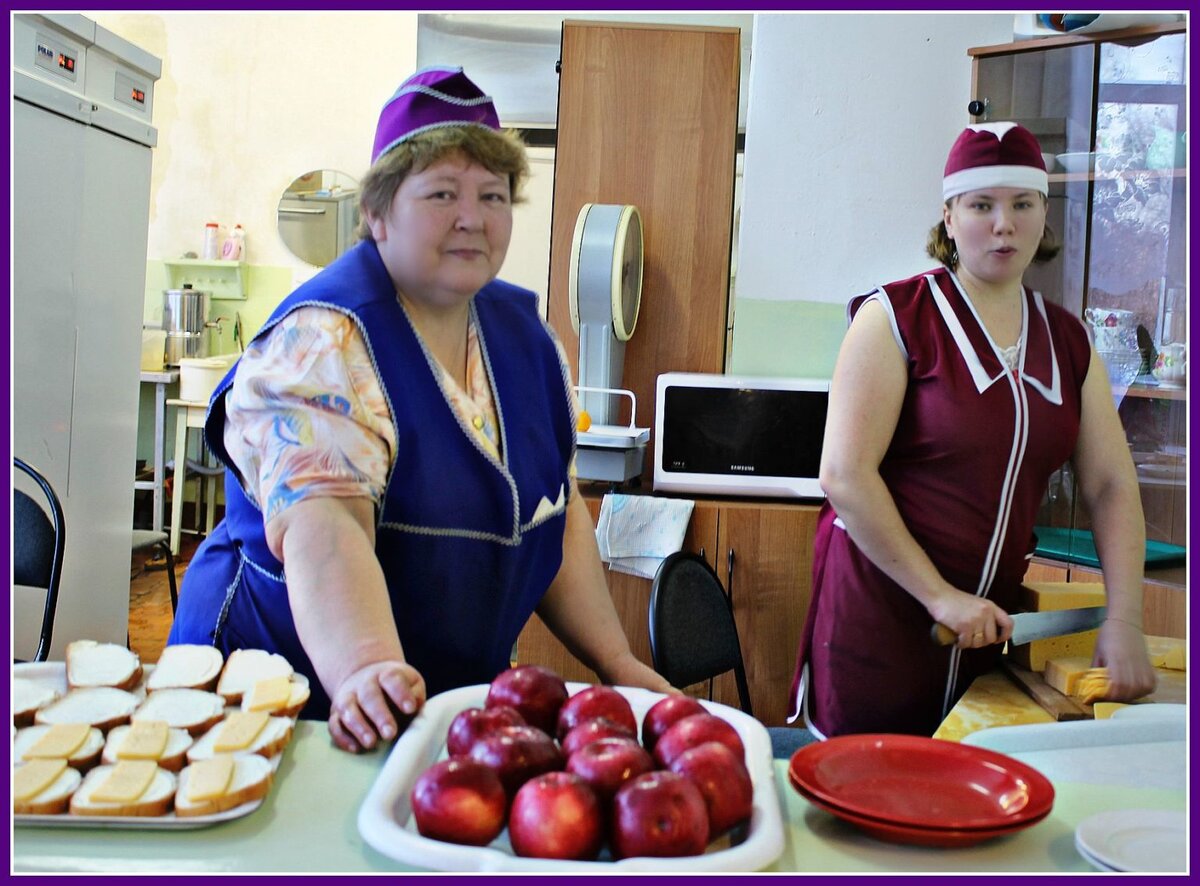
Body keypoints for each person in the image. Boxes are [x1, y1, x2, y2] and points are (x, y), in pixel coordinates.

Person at [169, 67, 672, 752]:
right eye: (441, 193)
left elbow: (555, 516)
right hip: (276, 700)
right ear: (377, 213)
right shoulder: (321, 341)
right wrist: (366, 665)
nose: (472, 217)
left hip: (427, 708)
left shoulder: (530, 342)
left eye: (493, 195)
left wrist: (617, 662)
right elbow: (326, 528)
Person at [788, 122, 1157, 738]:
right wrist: (939, 595)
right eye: (982, 205)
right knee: (871, 786)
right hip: (880, 622)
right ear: (950, 217)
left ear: (1044, 214)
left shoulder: (1069, 343)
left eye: (1022, 204)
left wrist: (1126, 619)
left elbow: (1110, 485)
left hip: (986, 636)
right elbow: (845, 476)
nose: (1003, 224)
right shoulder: (894, 319)